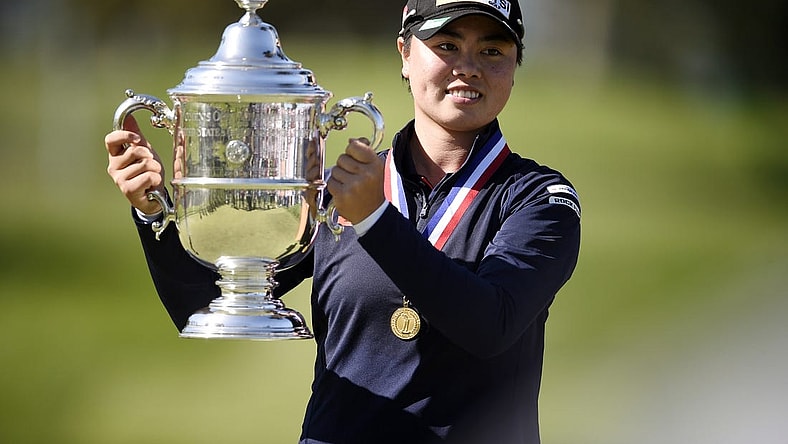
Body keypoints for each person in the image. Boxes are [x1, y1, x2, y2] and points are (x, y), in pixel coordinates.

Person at [105, 0, 581, 442]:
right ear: (405, 54)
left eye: (492, 50)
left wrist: (374, 219)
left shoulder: (541, 199)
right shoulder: (337, 192)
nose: (469, 66)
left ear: (515, 67)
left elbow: (491, 324)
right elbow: (202, 303)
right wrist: (154, 212)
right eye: (447, 45)